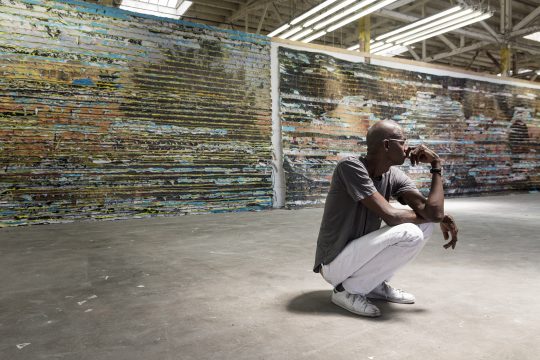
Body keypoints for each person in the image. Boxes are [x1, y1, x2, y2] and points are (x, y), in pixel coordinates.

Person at [313, 120, 458, 317]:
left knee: (425, 228)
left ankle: (372, 285)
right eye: (403, 142)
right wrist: (434, 217)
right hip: (334, 263)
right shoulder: (350, 167)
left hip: (358, 255)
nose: (408, 148)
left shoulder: (395, 176)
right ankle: (345, 291)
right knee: (410, 231)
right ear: (387, 145)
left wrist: (436, 164)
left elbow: (433, 212)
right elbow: (391, 216)